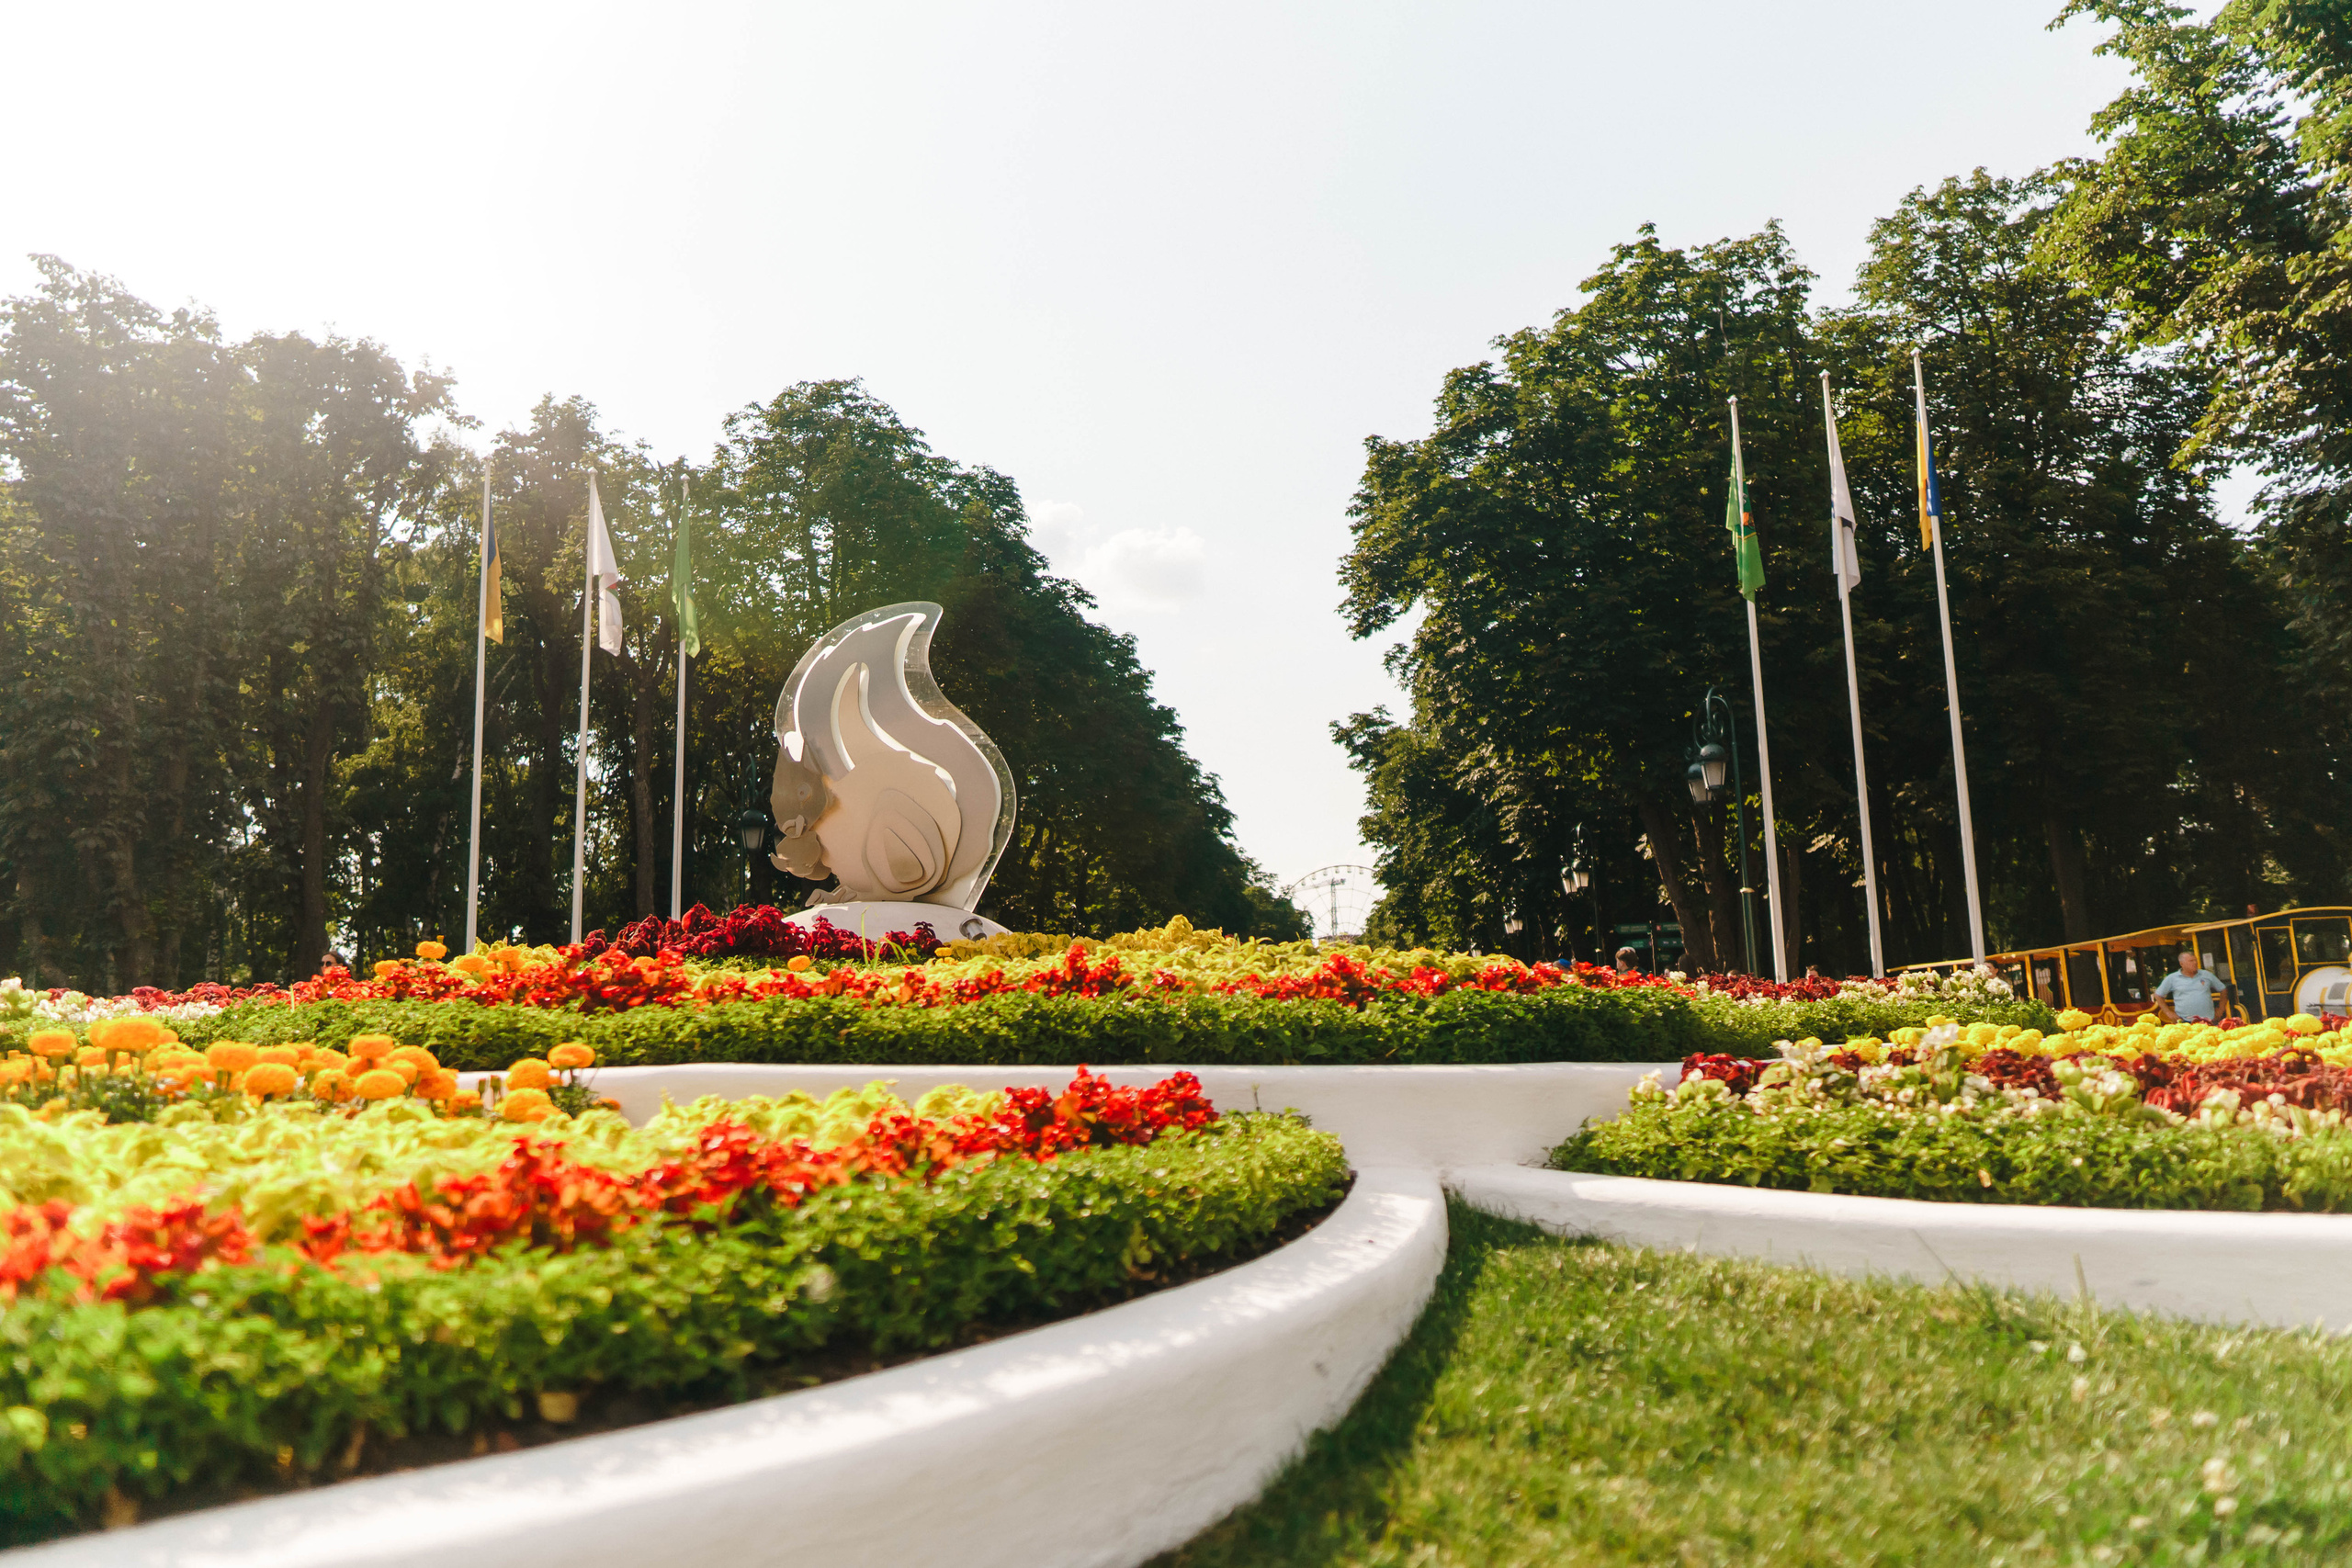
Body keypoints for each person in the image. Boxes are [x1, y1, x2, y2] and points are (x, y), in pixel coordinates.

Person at [2154, 950, 2228, 1023]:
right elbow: (2158, 995)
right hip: (2185, 1021)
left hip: (2208, 1020)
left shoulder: (2206, 975)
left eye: (2195, 960)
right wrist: (2168, 1012)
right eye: (2191, 961)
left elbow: (2223, 989)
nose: (2195, 963)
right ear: (2182, 963)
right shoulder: (2172, 978)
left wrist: (2221, 1009)